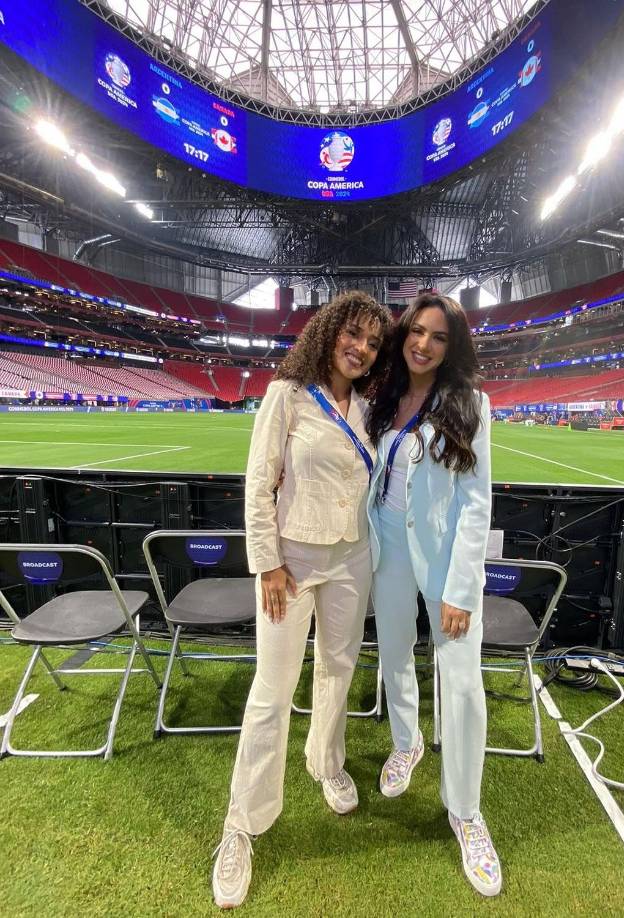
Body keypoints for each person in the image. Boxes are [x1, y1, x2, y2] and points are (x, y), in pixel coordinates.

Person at [213, 291, 392, 909]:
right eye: (354, 334)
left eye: (372, 342)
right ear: (328, 331)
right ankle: (243, 821)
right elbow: (258, 483)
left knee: (339, 669)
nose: (361, 348)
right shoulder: (286, 395)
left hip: (352, 558)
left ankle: (326, 763)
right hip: (291, 563)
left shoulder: (369, 407)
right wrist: (266, 564)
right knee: (273, 687)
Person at [365, 293, 500, 897]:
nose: (423, 344)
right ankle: (406, 743)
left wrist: (461, 589)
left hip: (444, 560)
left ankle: (466, 811)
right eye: (416, 332)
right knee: (394, 655)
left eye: (437, 337)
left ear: (453, 346)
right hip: (386, 547)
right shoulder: (385, 395)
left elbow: (477, 501)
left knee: (463, 685)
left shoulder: (472, 404)